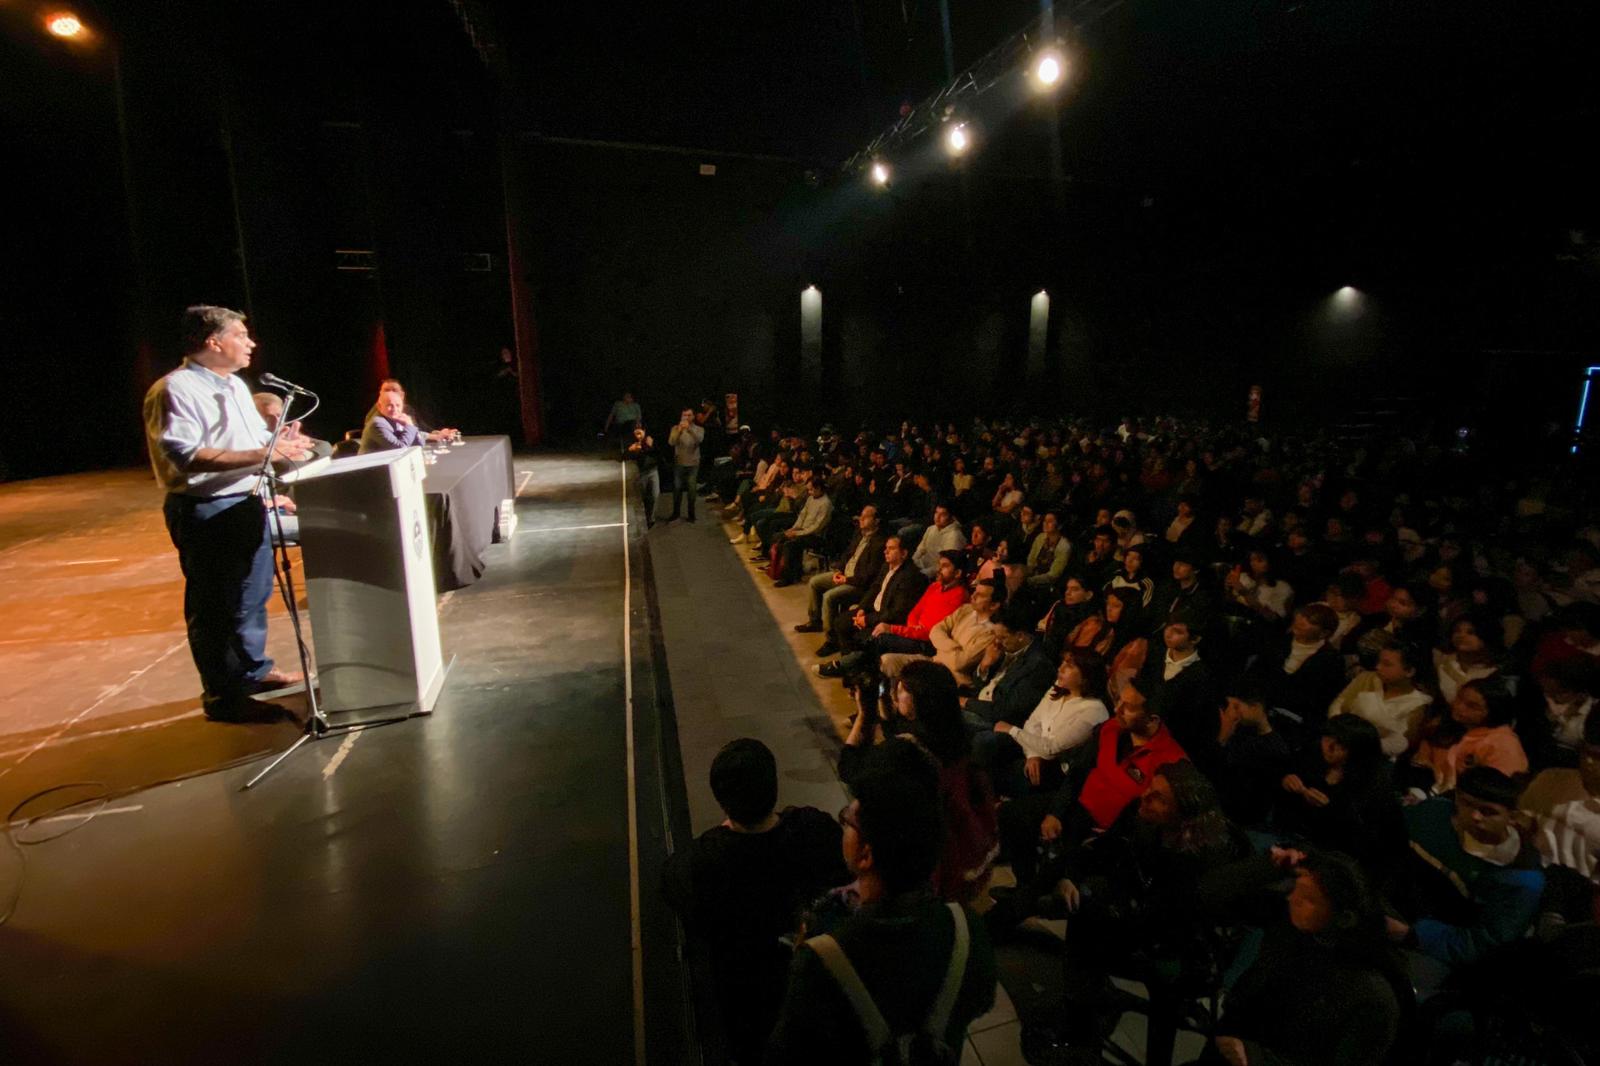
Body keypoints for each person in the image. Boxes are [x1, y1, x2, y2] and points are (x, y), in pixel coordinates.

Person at [143, 305, 312, 722]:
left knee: (251, 597)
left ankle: (253, 672)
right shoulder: (174, 390)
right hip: (207, 509)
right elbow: (186, 455)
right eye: (241, 334)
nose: (250, 342)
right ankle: (223, 696)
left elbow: (252, 442)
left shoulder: (236, 386)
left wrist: (278, 441)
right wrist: (262, 454)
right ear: (214, 342)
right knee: (217, 604)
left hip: (245, 502)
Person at [765, 762, 997, 1064]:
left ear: (865, 855)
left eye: (847, 819)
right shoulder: (967, 928)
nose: (844, 823)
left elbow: (786, 1054)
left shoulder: (821, 956)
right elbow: (981, 1001)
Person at [661, 739, 849, 1066]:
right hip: (809, 986)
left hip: (741, 998)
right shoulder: (811, 831)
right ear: (773, 787)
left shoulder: (704, 862)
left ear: (722, 800)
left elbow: (672, 882)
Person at [1197, 848, 1408, 1066]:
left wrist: (1259, 1058)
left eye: (1308, 899)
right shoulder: (1290, 929)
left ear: (1344, 918)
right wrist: (1268, 866)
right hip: (1232, 1047)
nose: (1292, 898)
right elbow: (1207, 893)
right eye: (1296, 889)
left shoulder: (1371, 995)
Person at [1390, 766, 1544, 990]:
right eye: (1466, 803)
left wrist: (1412, 934)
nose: (1474, 816)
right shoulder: (1432, 815)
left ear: (1511, 817)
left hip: (1440, 950)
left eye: (1488, 811)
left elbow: (1483, 944)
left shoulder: (1521, 878)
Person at [974, 649, 1109, 798]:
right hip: (1032, 748)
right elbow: (1033, 723)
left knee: (1010, 773)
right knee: (985, 741)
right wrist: (1032, 754)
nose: (1060, 668)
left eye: (1069, 666)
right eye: (1062, 662)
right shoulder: (1058, 689)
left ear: (1086, 677)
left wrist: (1011, 730)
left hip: (1055, 766)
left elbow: (1052, 749)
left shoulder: (1093, 711)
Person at [796, 505, 885, 641]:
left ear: (876, 520)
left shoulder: (879, 543)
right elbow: (847, 554)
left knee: (829, 597)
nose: (861, 519)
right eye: (861, 515)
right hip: (844, 574)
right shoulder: (859, 534)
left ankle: (831, 638)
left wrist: (846, 580)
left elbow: (869, 576)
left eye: (866, 517)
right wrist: (839, 570)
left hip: (857, 583)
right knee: (814, 582)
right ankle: (815, 621)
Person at [1328, 642, 1433, 758]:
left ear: (1409, 672)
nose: (1378, 667)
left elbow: (1400, 743)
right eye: (1379, 662)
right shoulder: (1367, 678)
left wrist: (1356, 744)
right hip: (1338, 737)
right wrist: (1337, 731)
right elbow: (1339, 703)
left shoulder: (1417, 703)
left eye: (1386, 664)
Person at [666, 406, 706, 522]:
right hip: (679, 463)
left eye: (689, 415)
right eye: (684, 415)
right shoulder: (675, 428)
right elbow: (671, 442)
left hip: (693, 464)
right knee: (677, 488)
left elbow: (699, 440)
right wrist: (679, 430)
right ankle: (676, 513)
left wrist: (689, 429)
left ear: (693, 417)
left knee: (691, 489)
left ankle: (691, 514)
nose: (686, 417)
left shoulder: (699, 429)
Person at [623, 425, 660, 527]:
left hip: (653, 471)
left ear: (644, 431)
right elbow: (624, 457)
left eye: (640, 433)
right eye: (636, 434)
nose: (638, 436)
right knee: (643, 497)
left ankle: (651, 519)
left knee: (655, 495)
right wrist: (631, 450)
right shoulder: (632, 442)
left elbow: (657, 453)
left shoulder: (649, 440)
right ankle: (643, 518)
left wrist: (648, 446)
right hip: (641, 473)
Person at [602, 390, 641, 454]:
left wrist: (638, 423)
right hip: (620, 424)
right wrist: (607, 424)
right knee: (612, 431)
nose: (628, 398)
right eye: (626, 396)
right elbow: (612, 414)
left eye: (629, 397)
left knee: (635, 428)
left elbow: (639, 417)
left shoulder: (636, 405)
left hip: (631, 423)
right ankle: (607, 450)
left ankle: (634, 448)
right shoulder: (618, 404)